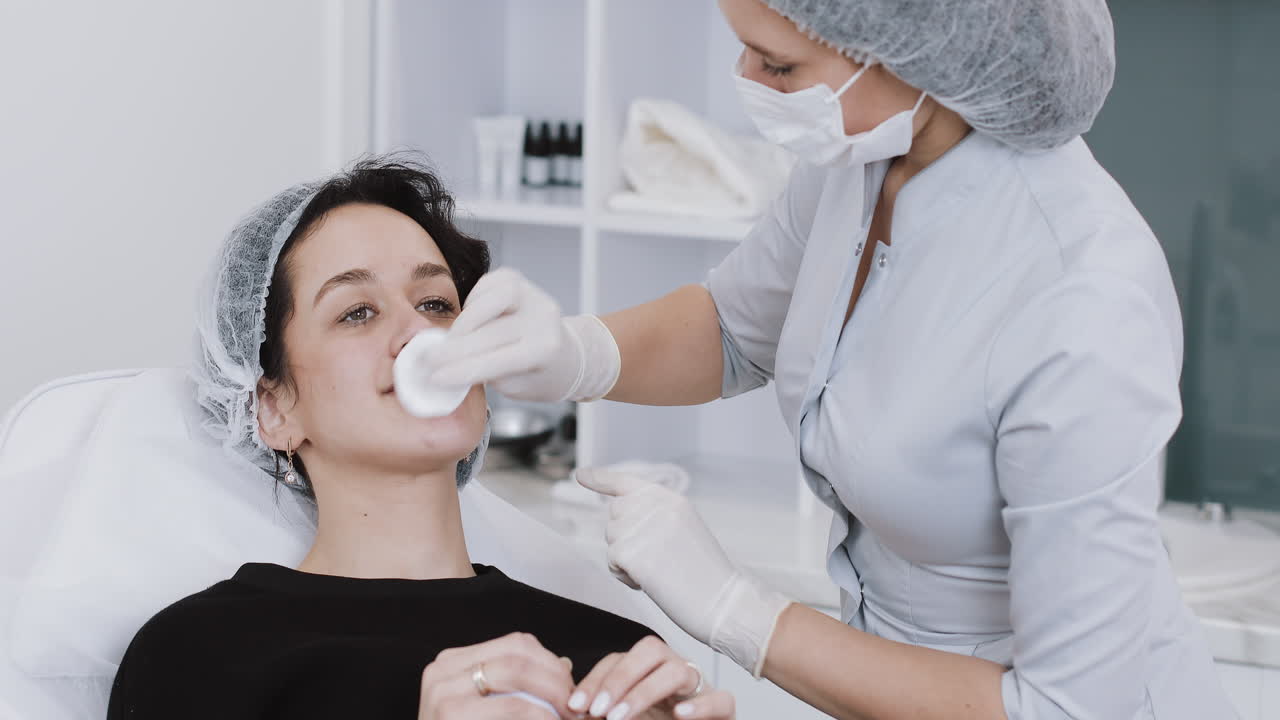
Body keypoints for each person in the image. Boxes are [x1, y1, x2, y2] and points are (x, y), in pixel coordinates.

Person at [424, 1, 1236, 718]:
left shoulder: (1081, 299)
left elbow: (1066, 708)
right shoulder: (862, 158)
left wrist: (739, 610)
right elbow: (735, 328)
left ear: (918, 57)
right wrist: (576, 353)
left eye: (779, 63)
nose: (745, 75)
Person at [106, 157, 735, 720]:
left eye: (437, 303)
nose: (420, 334)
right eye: (358, 311)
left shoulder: (612, 661)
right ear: (272, 408)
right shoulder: (199, 656)